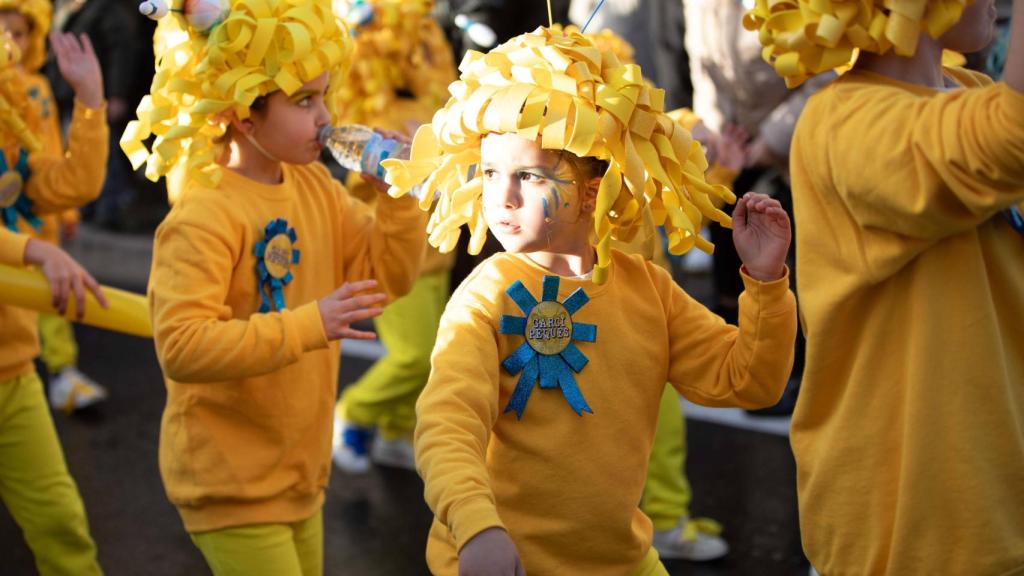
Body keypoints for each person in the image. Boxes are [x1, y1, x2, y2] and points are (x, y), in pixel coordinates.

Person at [384, 26, 798, 574]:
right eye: (488, 173)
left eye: (528, 176)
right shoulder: (485, 296)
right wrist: (477, 525)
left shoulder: (648, 287)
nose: (500, 198)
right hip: (505, 562)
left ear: (593, 190)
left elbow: (751, 380)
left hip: (624, 560)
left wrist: (766, 282)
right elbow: (447, 425)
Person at [125, 0, 427, 573]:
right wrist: (310, 323)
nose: (326, 118)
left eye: (324, 95)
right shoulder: (203, 216)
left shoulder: (315, 185)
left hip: (300, 476)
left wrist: (398, 204)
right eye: (304, 101)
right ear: (243, 115)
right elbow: (183, 347)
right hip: (231, 484)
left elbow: (384, 280)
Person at [744, 0, 1024, 572]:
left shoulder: (970, 87)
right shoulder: (839, 120)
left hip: (997, 499)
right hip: (917, 532)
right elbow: (1008, 140)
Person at [330, 0, 459, 473]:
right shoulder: (363, 91)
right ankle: (355, 411)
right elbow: (352, 151)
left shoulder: (431, 90)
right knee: (415, 355)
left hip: (437, 242)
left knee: (438, 356)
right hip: (391, 245)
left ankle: (395, 429)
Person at [0, 25, 109, 575]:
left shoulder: (14, 114)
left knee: (62, 527)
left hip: (11, 376)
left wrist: (89, 101)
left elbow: (71, 183)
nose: (7, 36)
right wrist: (33, 252)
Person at [0, 0, 109, 411]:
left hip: (31, 222)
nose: (8, 42)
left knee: (53, 297)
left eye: (18, 33)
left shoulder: (35, 89)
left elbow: (51, 158)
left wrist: (90, 99)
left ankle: (62, 373)